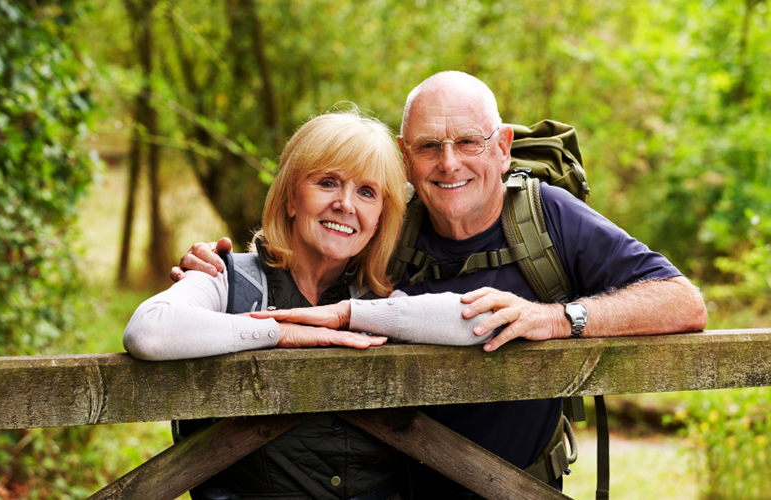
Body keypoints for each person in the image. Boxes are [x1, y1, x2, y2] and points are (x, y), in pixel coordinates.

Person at [174, 72, 709, 497]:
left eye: (468, 142)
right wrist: (219, 273)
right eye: (429, 147)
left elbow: (683, 302)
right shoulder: (388, 226)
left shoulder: (549, 218)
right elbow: (311, 254)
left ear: (501, 146)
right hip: (396, 485)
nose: (448, 163)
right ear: (406, 157)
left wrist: (556, 319)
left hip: (521, 484)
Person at [125, 108, 502, 500]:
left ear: (380, 221)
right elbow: (147, 332)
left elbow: (486, 320)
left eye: (367, 192)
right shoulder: (226, 277)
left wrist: (349, 315)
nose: (345, 204)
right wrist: (279, 333)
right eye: (327, 183)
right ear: (290, 198)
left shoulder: (384, 299)